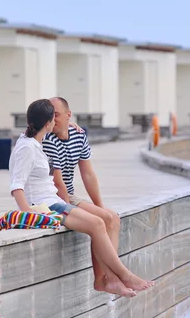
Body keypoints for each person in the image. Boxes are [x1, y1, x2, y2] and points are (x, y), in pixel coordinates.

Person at [9, 99, 154, 297]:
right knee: (97, 224)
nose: (58, 121)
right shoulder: (28, 147)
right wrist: (28, 215)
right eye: (54, 117)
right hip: (46, 205)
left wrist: (71, 125)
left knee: (101, 221)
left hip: (54, 201)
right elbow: (17, 185)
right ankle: (123, 276)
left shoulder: (35, 142)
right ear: (48, 122)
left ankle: (114, 278)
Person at [41, 97, 123, 295]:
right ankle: (108, 278)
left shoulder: (79, 135)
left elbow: (88, 174)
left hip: (69, 195)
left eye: (57, 115)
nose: (53, 119)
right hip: (55, 197)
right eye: (50, 115)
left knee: (111, 217)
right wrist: (71, 209)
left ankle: (105, 277)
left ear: (69, 115)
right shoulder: (48, 139)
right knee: (100, 221)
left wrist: (99, 205)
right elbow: (57, 183)